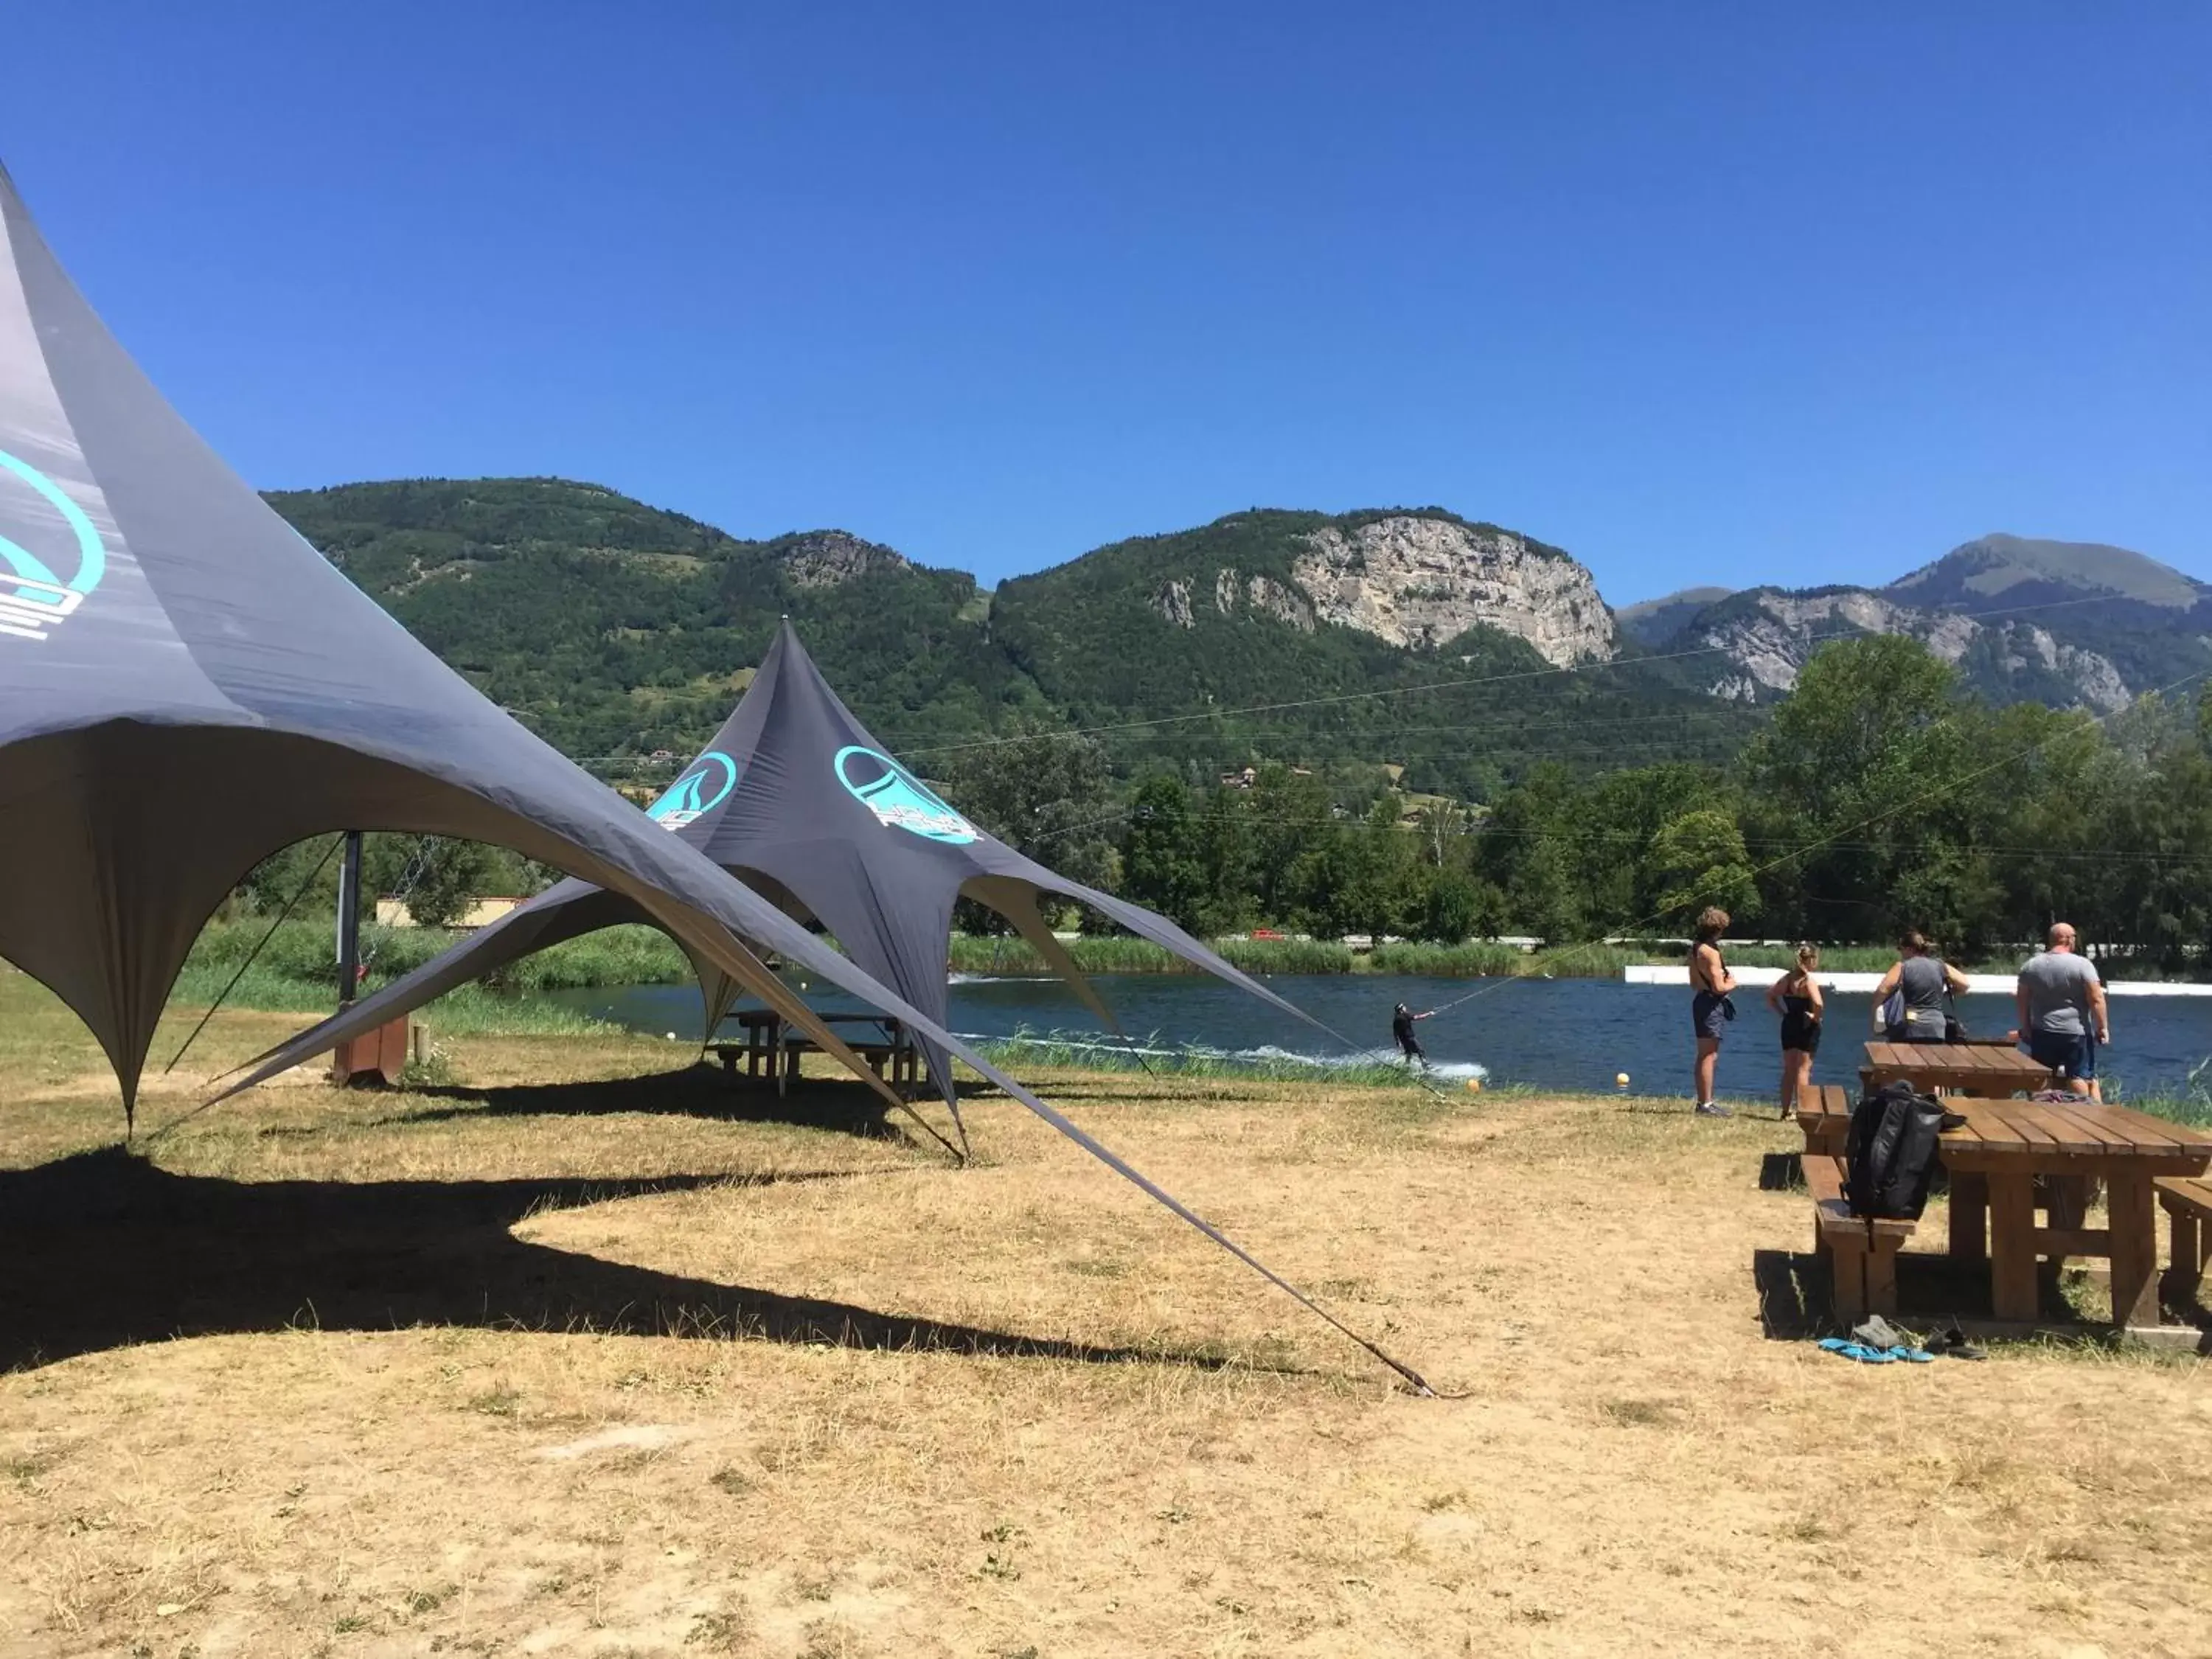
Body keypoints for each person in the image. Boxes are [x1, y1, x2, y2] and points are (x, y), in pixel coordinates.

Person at [2017, 922, 2110, 1099]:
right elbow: (2096, 998)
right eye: (2074, 937)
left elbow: (2022, 999)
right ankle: (2083, 1113)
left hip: (2042, 1030)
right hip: (2076, 1032)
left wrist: (2026, 1026)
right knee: (2078, 1076)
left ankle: (2042, 1113)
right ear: (2068, 939)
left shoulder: (2030, 966)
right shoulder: (2083, 965)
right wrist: (2102, 1027)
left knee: (2044, 1076)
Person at [1870, 931, 1969, 1043]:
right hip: (1937, 1028)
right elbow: (1965, 985)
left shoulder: (1902, 967)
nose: (1900, 953)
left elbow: (1883, 990)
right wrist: (1945, 995)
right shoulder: (1940, 966)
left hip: (1911, 1028)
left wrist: (1875, 1012)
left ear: (1910, 949)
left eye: (1901, 948)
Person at [1764, 943, 1824, 1121]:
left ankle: (1785, 1111)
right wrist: (1815, 1016)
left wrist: (1782, 1013)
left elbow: (1770, 996)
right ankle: (1803, 1111)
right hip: (1806, 1025)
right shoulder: (1808, 981)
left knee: (1789, 1070)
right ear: (1811, 960)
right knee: (1803, 1070)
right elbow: (1819, 1003)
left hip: (1789, 1024)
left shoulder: (1788, 980)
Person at [1688, 907, 1736, 1116]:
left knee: (1704, 1055)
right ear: (1717, 929)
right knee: (1710, 1055)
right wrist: (1732, 983)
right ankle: (1706, 1104)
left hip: (1700, 1000)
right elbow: (1719, 987)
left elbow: (1693, 983)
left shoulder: (1695, 949)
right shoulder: (1712, 953)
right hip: (1711, 1004)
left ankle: (1704, 1102)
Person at [1391, 1001, 1434, 1067]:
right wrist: (1429, 1014)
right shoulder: (1405, 1015)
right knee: (1420, 1051)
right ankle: (1425, 1065)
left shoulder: (1396, 1019)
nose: (1405, 1008)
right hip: (1410, 1037)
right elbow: (1418, 1017)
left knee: (1409, 1053)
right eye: (1404, 1007)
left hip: (1403, 1039)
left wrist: (1398, 1041)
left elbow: (1395, 1032)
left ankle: (1406, 1065)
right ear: (1401, 1010)